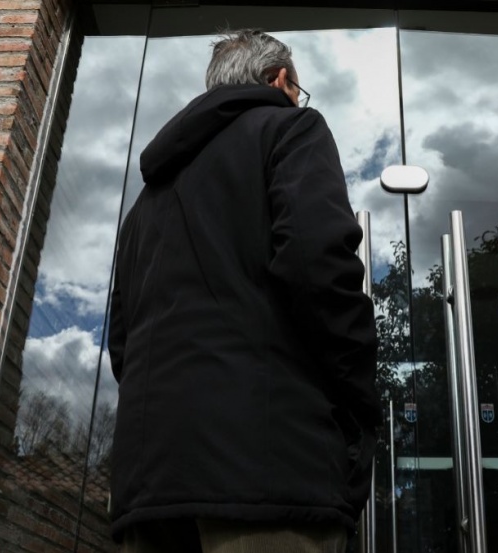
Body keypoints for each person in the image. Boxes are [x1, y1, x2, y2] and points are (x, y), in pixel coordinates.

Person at [107, 29, 380, 553]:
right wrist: (359, 405)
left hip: (148, 485)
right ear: (280, 80)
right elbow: (318, 266)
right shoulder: (291, 128)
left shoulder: (144, 206)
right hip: (268, 474)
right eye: (298, 88)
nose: (298, 97)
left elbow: (122, 341)